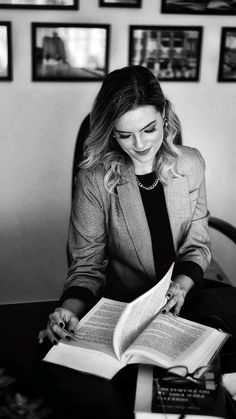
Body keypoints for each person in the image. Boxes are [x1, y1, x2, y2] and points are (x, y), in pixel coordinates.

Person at [38, 65, 211, 345]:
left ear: (164, 116)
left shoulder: (191, 164)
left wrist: (180, 286)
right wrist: (68, 311)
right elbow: (86, 266)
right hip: (123, 310)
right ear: (111, 133)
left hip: (185, 302)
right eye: (125, 134)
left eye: (149, 129)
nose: (140, 144)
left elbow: (197, 246)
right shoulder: (94, 180)